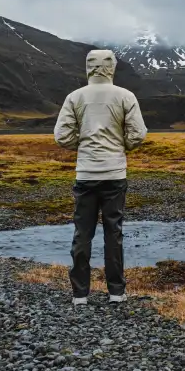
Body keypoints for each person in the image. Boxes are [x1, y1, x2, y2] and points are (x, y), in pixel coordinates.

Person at [54, 49, 148, 305]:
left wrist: (82, 146)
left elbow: (62, 136)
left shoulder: (75, 97)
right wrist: (122, 146)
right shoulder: (125, 96)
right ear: (112, 67)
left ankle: (80, 294)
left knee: (82, 233)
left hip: (85, 175)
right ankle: (116, 292)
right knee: (113, 233)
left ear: (88, 67)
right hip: (115, 174)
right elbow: (138, 134)